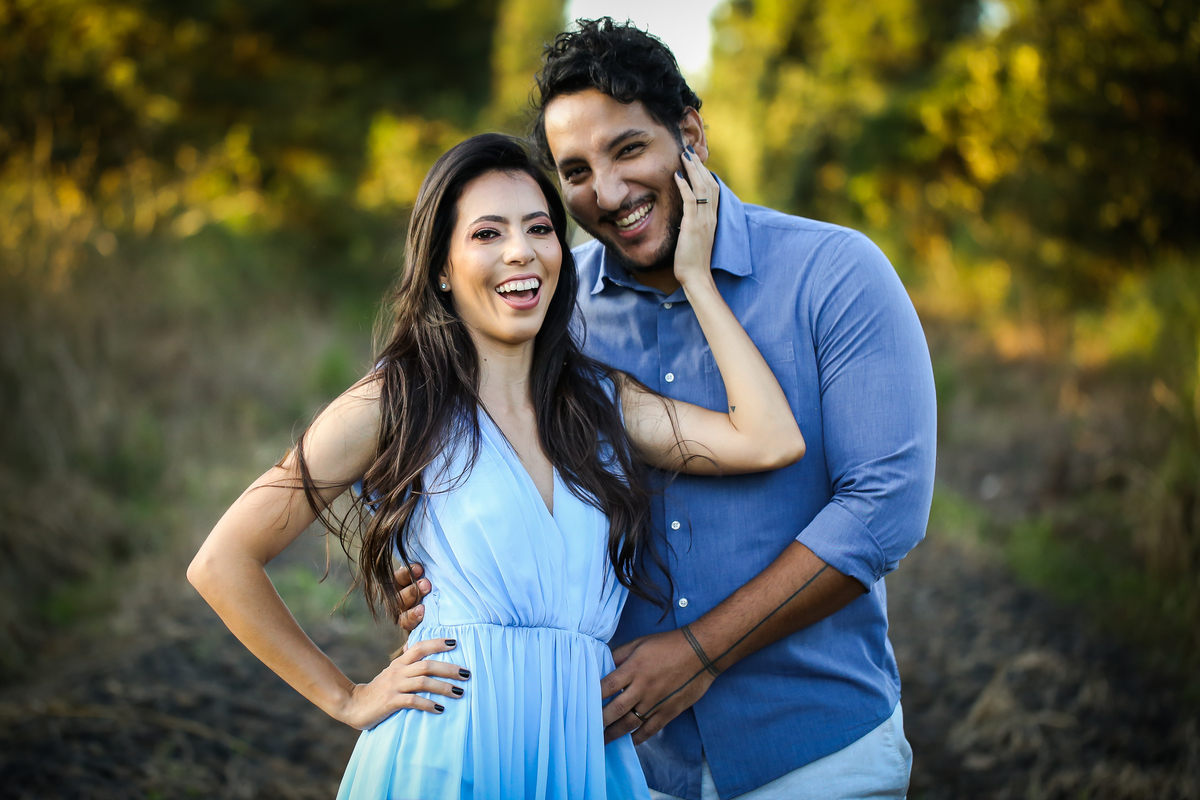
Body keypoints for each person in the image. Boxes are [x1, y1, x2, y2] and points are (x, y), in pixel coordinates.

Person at [392, 19, 938, 800]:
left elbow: (884, 510)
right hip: (615, 762)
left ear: (690, 133)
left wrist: (702, 651)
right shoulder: (549, 312)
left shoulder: (835, 274)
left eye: (627, 150)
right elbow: (460, 455)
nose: (607, 194)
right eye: (575, 171)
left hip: (817, 752)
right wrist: (423, 575)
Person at [187, 133, 805, 799]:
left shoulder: (601, 404)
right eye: (487, 233)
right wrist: (347, 698)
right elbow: (223, 561)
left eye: (540, 228)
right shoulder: (396, 400)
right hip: (446, 759)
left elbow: (768, 439)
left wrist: (695, 280)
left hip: (579, 761)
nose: (521, 251)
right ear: (443, 267)